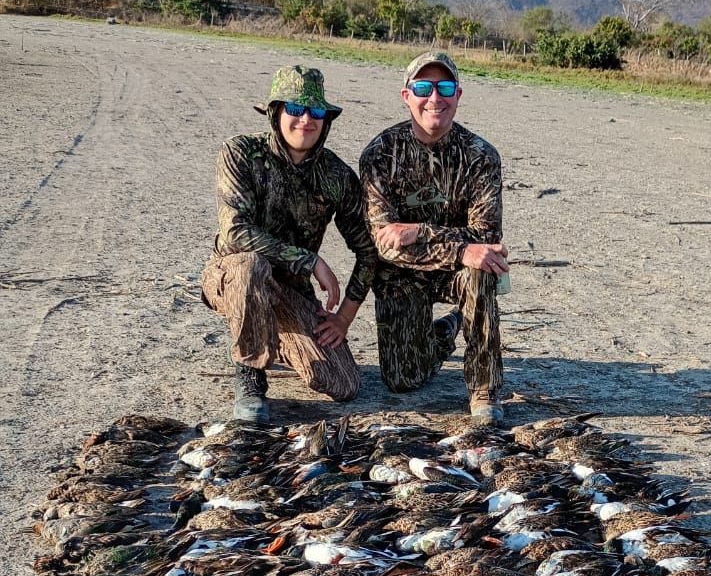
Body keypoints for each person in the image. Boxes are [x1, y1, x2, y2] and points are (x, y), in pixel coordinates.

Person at [202, 65, 378, 424]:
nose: (305, 120)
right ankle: (250, 374)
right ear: (275, 112)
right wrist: (310, 261)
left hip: (289, 292)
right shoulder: (240, 153)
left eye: (315, 112)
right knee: (251, 267)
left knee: (343, 384)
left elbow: (369, 250)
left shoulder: (336, 175)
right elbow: (235, 231)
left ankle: (272, 333)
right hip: (232, 275)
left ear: (326, 120)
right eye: (295, 110)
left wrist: (344, 316)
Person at [359, 51, 509, 425]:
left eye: (444, 87)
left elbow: (486, 240)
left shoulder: (481, 157)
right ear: (406, 95)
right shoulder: (380, 154)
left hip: (458, 271)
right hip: (402, 273)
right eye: (423, 87)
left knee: (483, 270)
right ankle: (445, 331)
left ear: (458, 94)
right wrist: (460, 246)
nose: (434, 98)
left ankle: (483, 387)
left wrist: (417, 233)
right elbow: (384, 243)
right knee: (402, 381)